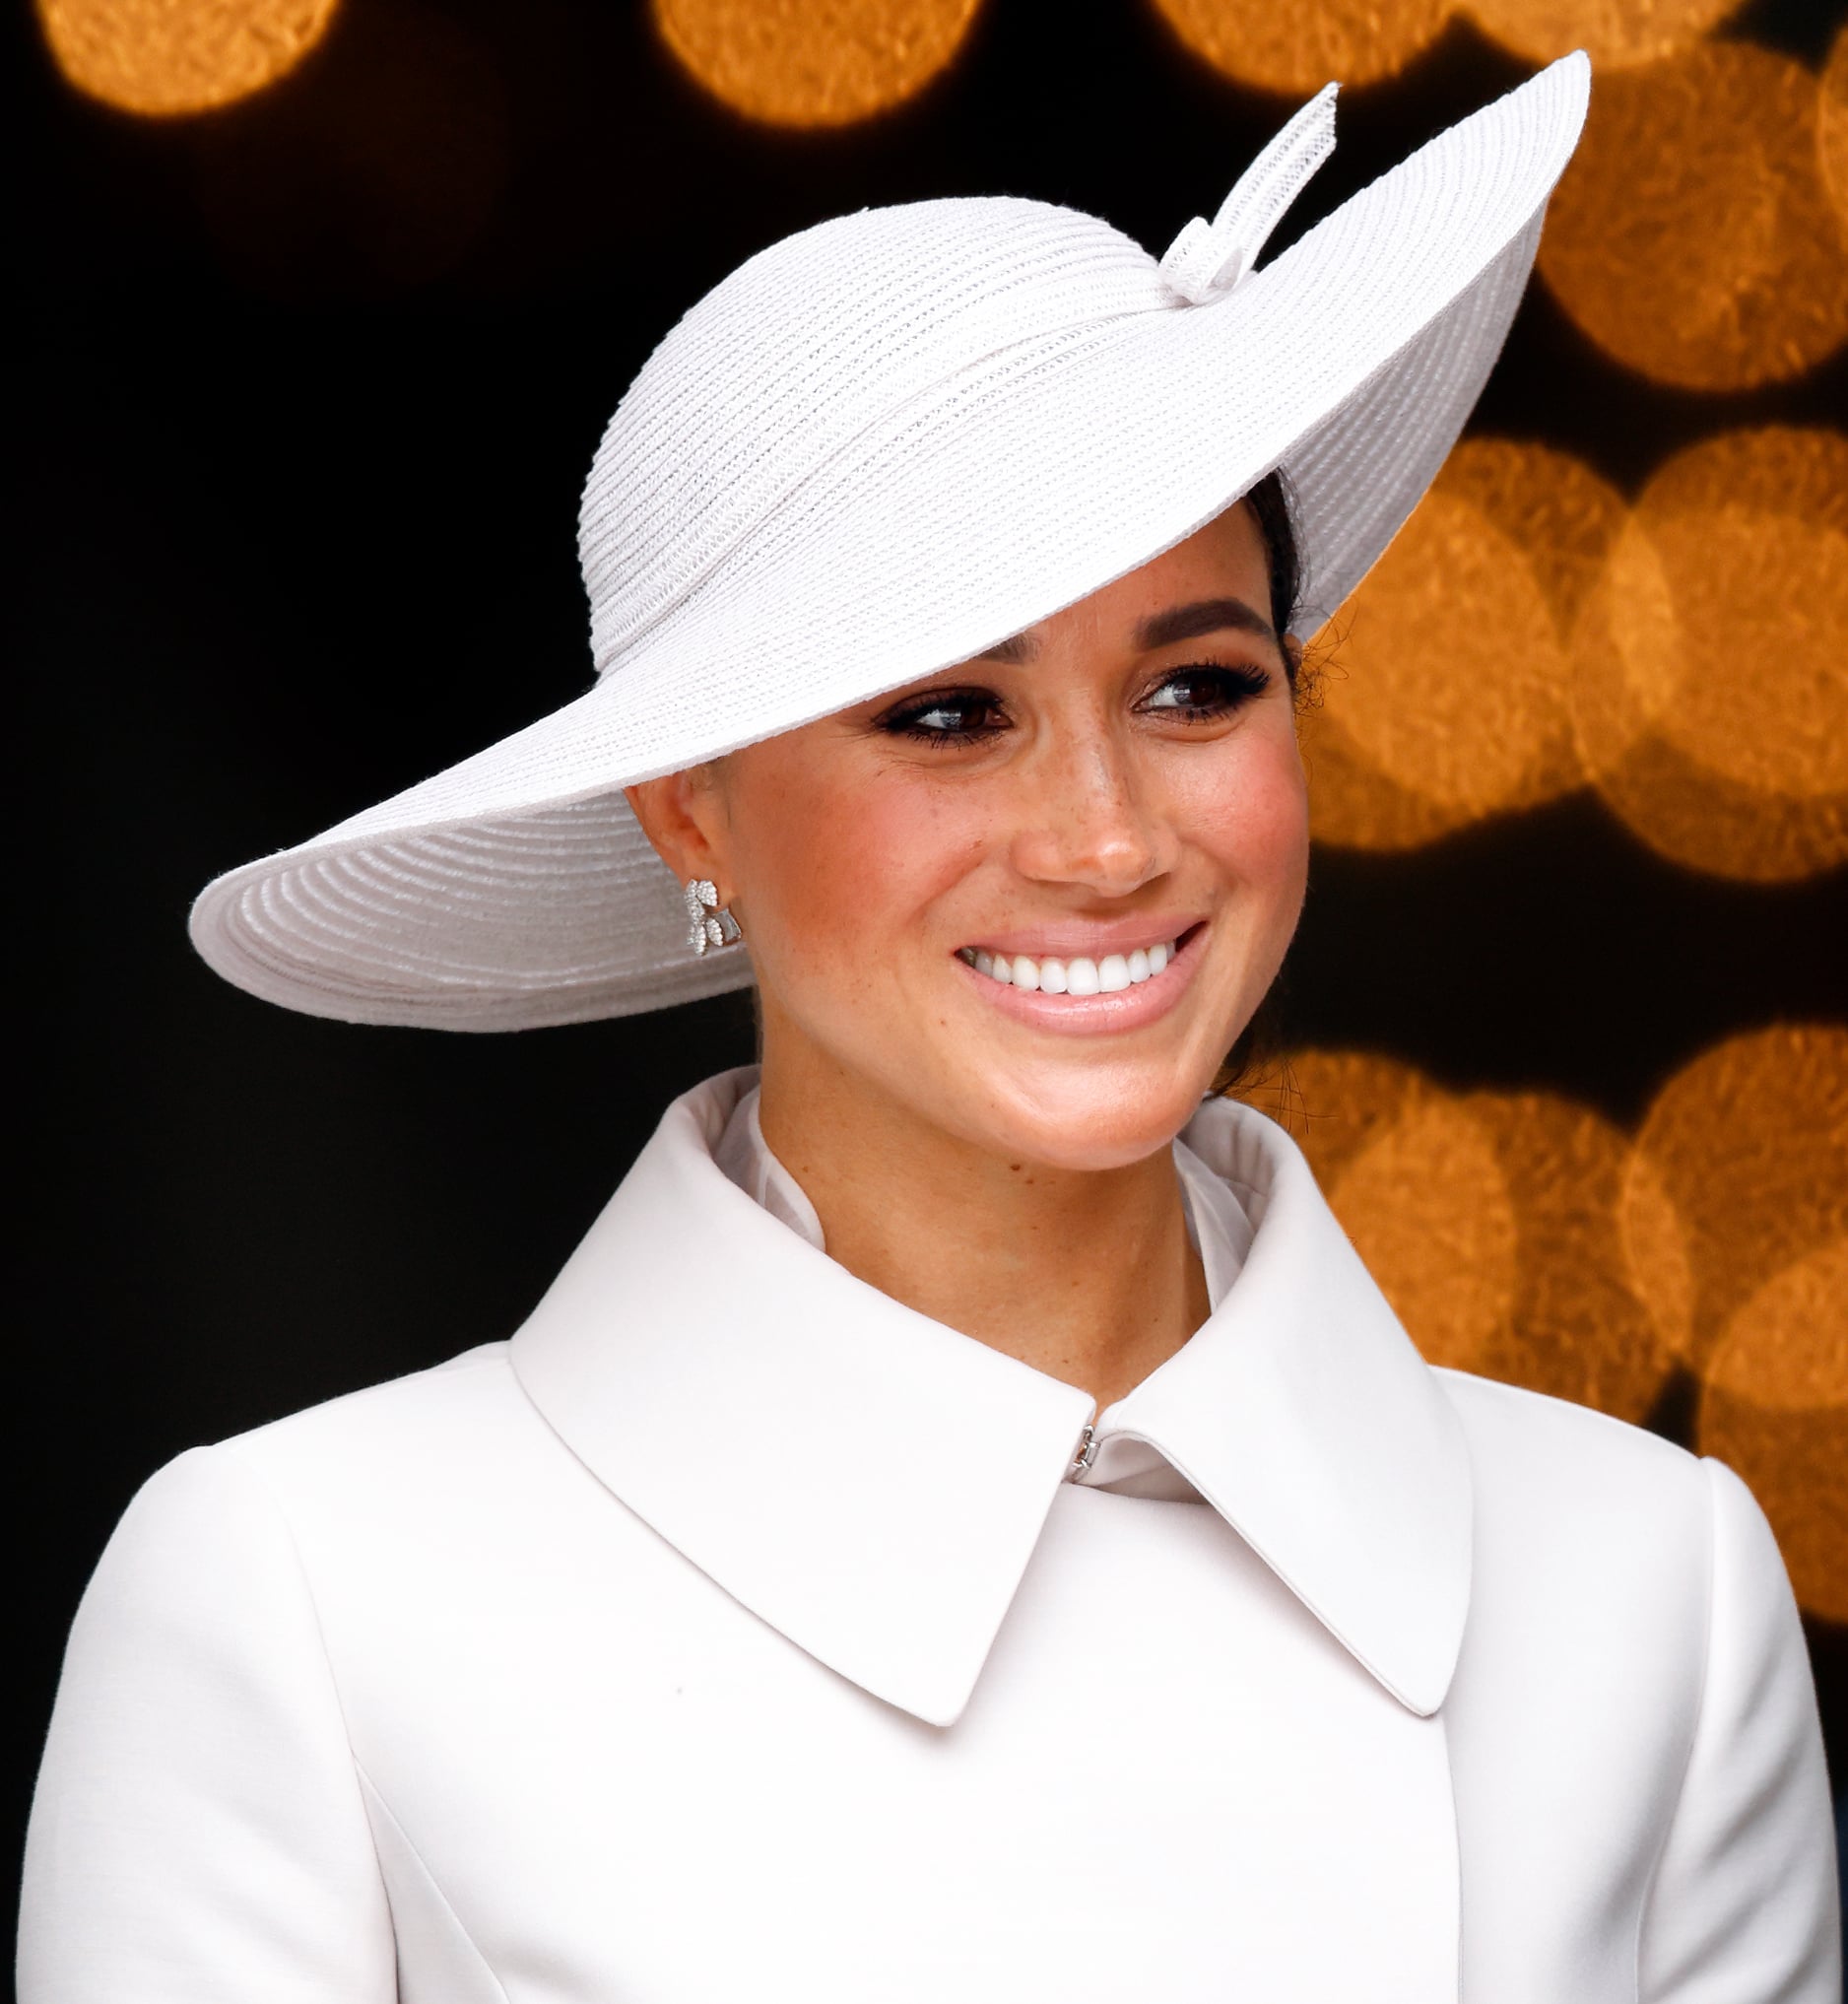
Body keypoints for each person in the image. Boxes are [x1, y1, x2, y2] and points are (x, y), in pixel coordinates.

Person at [19, 53, 1839, 2002]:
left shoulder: (1651, 1590)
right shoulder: (300, 1600)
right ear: (687, 804)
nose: (1108, 839)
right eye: (948, 714)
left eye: (1196, 686)